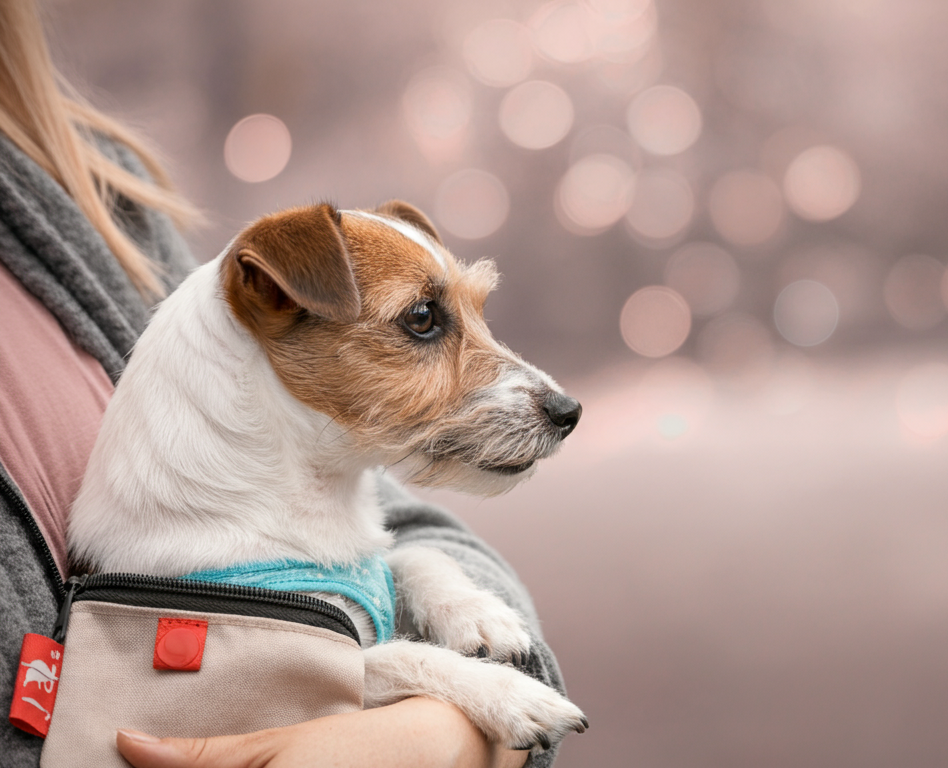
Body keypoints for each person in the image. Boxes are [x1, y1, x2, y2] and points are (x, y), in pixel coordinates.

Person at [0, 2, 569, 766]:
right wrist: (447, 685)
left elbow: (390, 540)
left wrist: (457, 734)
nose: (525, 382)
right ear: (277, 289)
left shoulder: (89, 189)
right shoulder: (178, 537)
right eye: (423, 322)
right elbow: (256, 664)